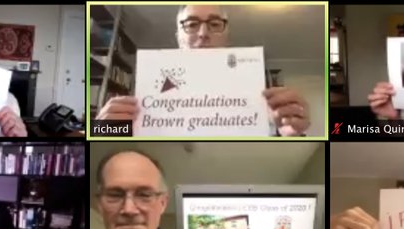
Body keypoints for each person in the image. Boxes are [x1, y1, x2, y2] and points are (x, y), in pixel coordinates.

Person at [97, 5, 311, 137]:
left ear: (227, 35)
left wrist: (291, 134)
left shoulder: (259, 97)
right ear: (178, 36)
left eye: (215, 24)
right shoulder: (144, 97)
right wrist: (102, 131)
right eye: (191, 24)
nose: (203, 33)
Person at [89, 150, 177, 229]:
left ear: (163, 203)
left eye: (144, 195)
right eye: (115, 195)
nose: (129, 209)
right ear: (99, 204)